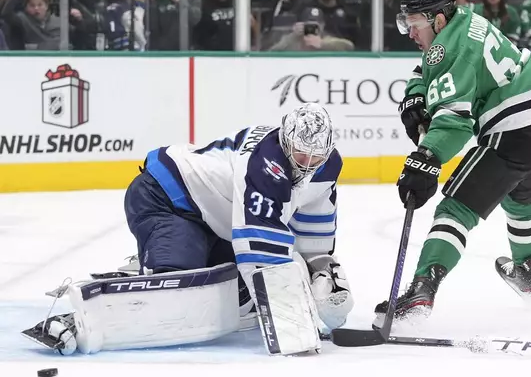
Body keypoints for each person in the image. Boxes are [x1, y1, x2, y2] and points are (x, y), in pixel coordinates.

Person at [22, 103, 354, 357]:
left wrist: (323, 272)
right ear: (285, 139)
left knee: (233, 289)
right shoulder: (266, 164)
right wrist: (293, 325)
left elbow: (314, 229)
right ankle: (78, 316)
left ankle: (147, 265)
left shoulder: (328, 164)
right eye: (300, 154)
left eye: (316, 157)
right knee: (178, 287)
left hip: (217, 219)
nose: (306, 164)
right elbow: (261, 251)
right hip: (167, 198)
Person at [374, 0, 531, 323]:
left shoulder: (449, 49)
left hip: (517, 132)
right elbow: (429, 66)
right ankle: (526, 269)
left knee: (455, 208)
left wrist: (428, 157)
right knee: (520, 200)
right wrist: (416, 94)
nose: (409, 33)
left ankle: (423, 288)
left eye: (413, 24)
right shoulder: (464, 17)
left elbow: (454, 123)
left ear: (437, 19)